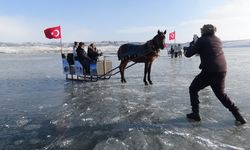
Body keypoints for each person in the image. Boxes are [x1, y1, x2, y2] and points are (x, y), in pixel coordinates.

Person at [183, 24, 246, 124]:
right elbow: (210, 51)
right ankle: (238, 115)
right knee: (221, 94)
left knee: (193, 88)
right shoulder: (218, 39)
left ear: (203, 31)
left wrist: (193, 43)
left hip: (209, 71)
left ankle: (195, 113)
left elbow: (188, 54)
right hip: (221, 70)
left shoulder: (202, 40)